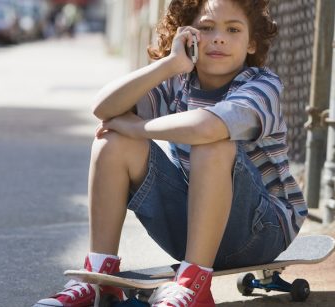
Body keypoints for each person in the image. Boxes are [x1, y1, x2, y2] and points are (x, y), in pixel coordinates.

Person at [34, 0, 307, 306]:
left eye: (233, 29)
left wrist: (139, 127)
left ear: (251, 42)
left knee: (213, 141)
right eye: (206, 28)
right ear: (187, 34)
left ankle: (195, 286)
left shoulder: (262, 86)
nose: (218, 38)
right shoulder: (180, 82)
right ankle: (100, 279)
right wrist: (170, 64)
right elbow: (103, 108)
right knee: (112, 141)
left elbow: (206, 127)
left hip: (260, 231)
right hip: (193, 231)